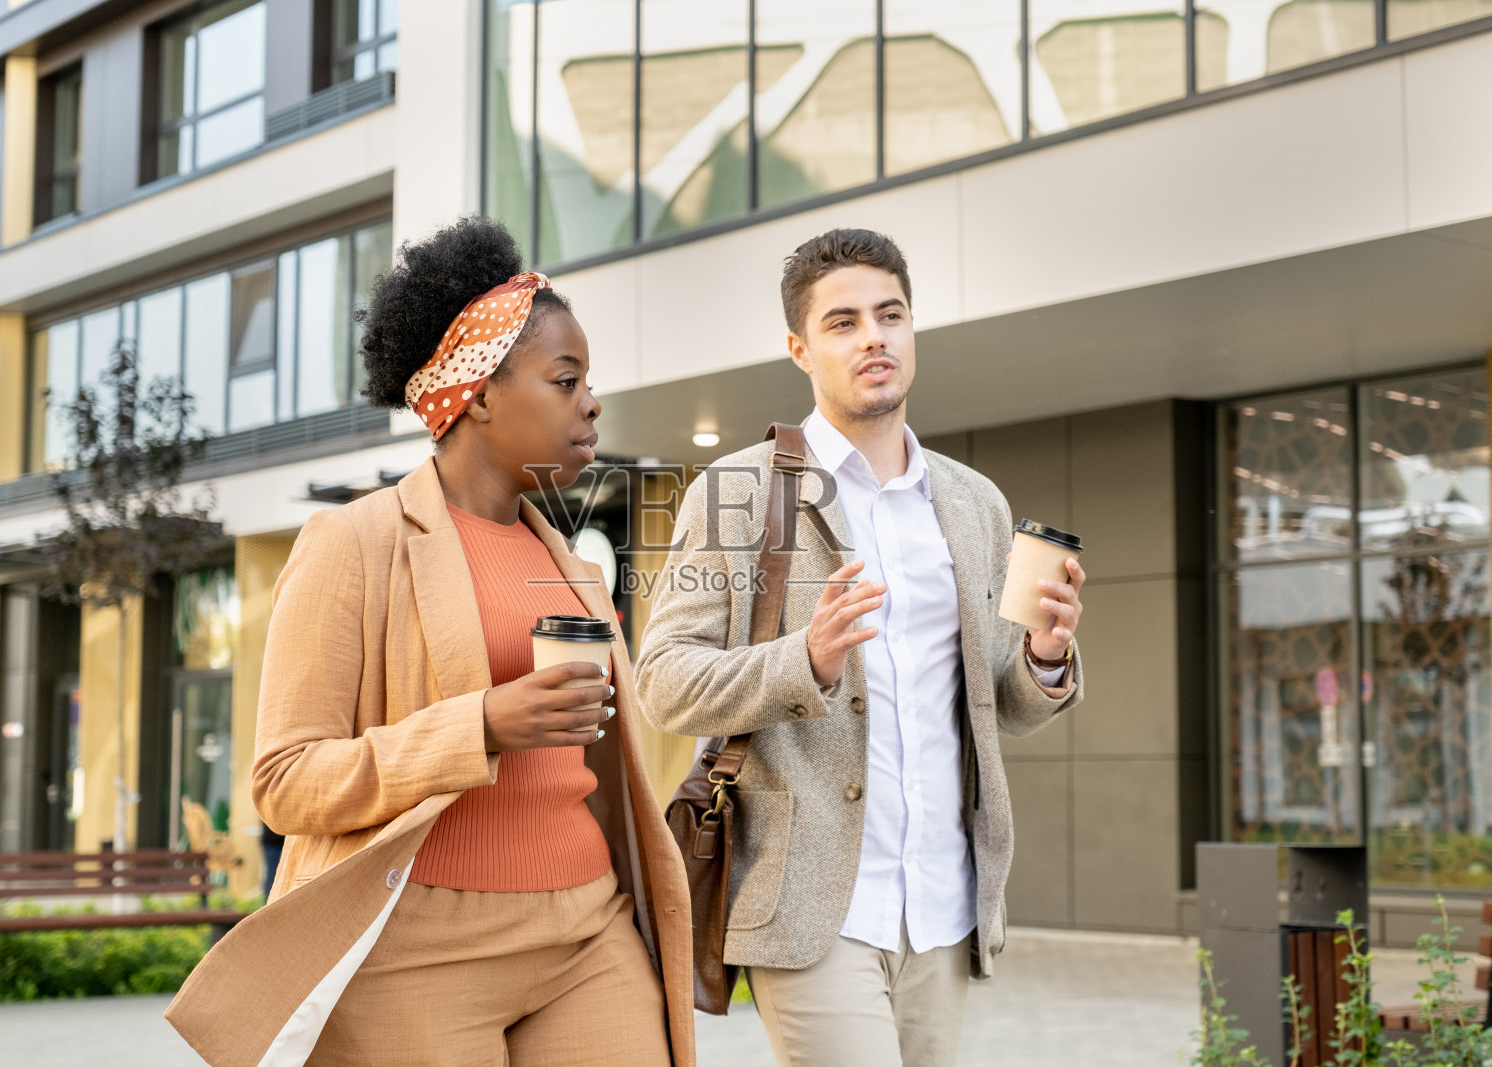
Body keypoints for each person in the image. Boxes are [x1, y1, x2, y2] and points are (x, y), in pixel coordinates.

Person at [166, 217, 692, 1067]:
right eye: (566, 379)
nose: (591, 401)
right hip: (416, 947)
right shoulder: (353, 542)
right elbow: (285, 782)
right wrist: (479, 723)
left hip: (588, 927)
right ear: (480, 393)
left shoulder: (577, 567)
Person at [635, 228, 1087, 1066]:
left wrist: (1045, 659)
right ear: (800, 349)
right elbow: (662, 681)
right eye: (843, 322)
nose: (873, 336)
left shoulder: (974, 503)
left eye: (891, 314)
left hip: (946, 907)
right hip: (812, 906)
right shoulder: (737, 491)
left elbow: (1001, 706)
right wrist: (804, 662)